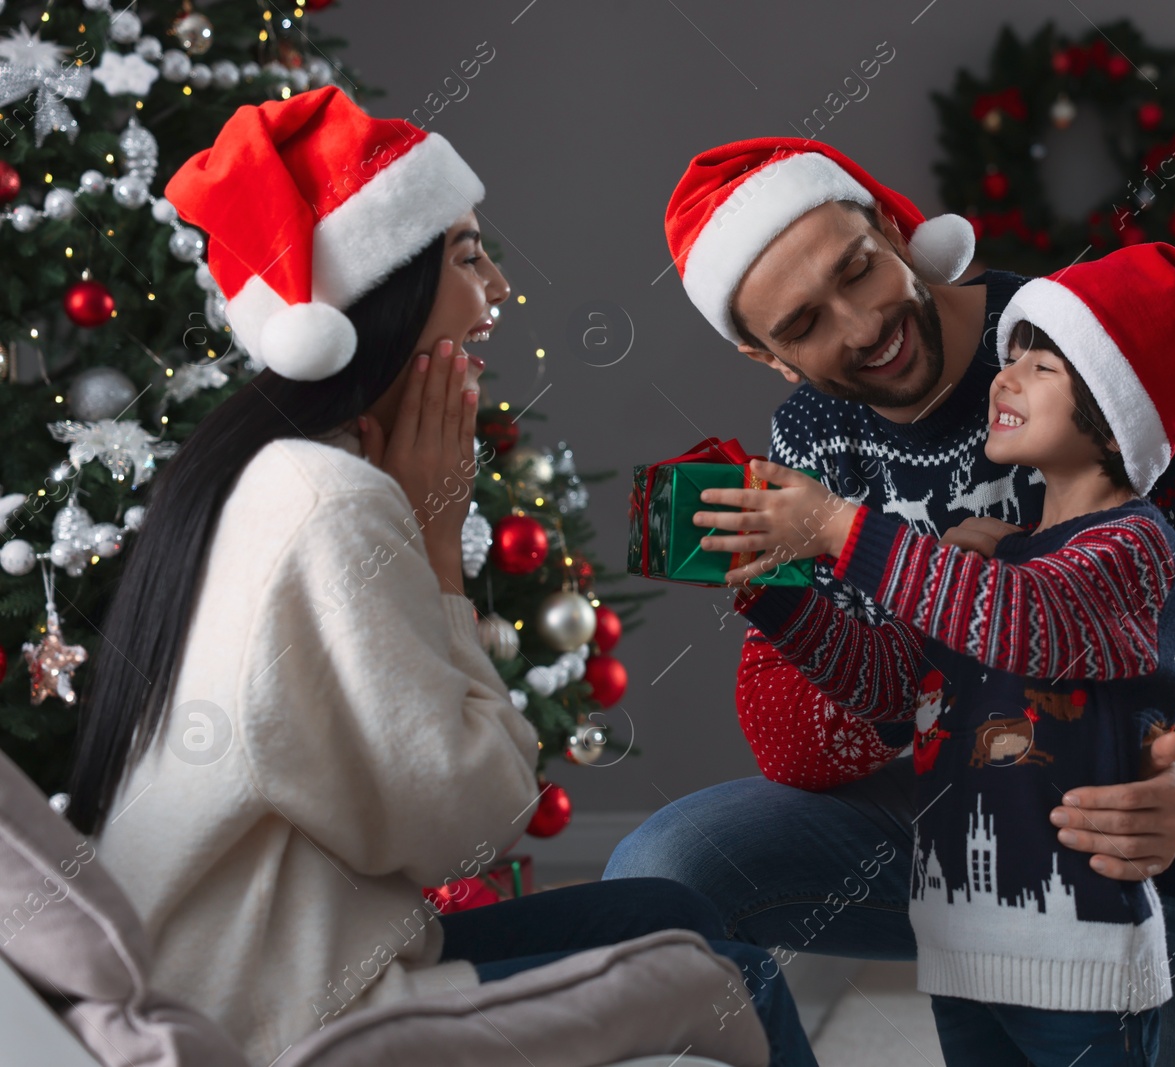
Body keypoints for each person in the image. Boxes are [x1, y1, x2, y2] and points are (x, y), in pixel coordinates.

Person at [65, 90, 815, 1067]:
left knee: (664, 905)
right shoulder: (327, 498)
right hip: (283, 1019)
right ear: (384, 295)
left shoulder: (266, 467)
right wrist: (434, 548)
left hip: (282, 969)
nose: (498, 286)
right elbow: (467, 828)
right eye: (466, 256)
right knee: (740, 980)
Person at [606, 136, 1175, 1065]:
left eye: (857, 270)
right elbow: (803, 746)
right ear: (770, 358)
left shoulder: (1097, 343)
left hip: (1153, 843)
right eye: (804, 325)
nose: (860, 324)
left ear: (888, 224)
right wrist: (784, 595)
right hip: (970, 828)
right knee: (659, 878)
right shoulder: (811, 437)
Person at [688, 245, 1175, 1066]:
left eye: (1040, 365)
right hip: (966, 932)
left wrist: (835, 528)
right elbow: (890, 686)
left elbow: (1027, 622)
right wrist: (775, 594)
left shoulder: (1131, 547)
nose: (1005, 376)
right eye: (1011, 357)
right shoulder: (997, 558)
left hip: (1079, 949)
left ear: (1115, 406)